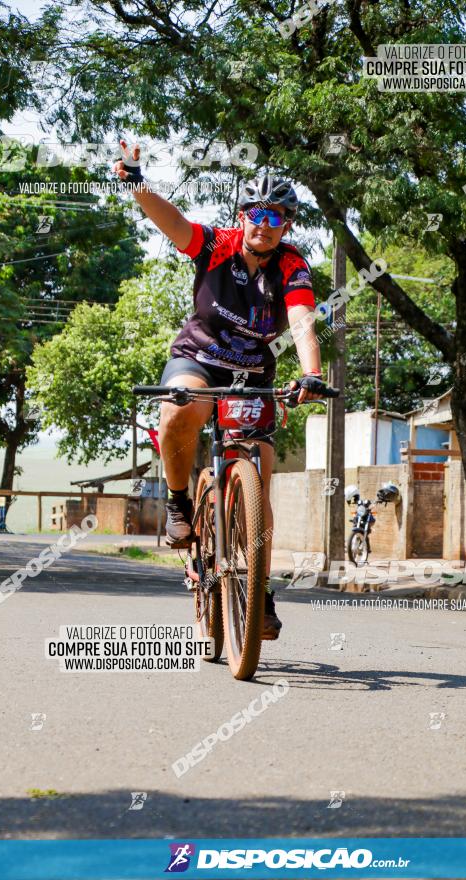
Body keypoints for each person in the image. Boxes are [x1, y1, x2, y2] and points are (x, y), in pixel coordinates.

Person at [113, 141, 327, 639]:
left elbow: (301, 322)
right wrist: (137, 183)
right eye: (256, 213)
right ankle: (178, 500)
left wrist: (311, 375)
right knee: (178, 408)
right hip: (200, 359)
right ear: (242, 215)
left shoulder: (292, 266)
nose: (264, 224)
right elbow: (175, 224)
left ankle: (258, 586)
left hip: (254, 373)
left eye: (276, 217)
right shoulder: (216, 246)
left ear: (287, 226)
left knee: (261, 482)